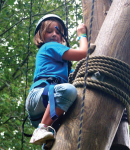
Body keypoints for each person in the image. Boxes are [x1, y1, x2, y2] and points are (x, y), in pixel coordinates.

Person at [25, 14, 88, 146]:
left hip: (46, 108)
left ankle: (47, 139)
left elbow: (77, 77)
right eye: (49, 31)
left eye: (58, 32)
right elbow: (83, 53)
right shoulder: (50, 47)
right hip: (40, 97)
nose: (54, 34)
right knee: (69, 91)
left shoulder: (64, 67)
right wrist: (82, 35)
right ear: (40, 35)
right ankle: (42, 129)